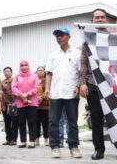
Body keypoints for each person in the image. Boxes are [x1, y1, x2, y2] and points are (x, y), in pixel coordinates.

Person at [45, 27, 82, 159]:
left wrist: (78, 85)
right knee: (53, 121)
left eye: (62, 35)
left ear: (68, 36)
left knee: (72, 122)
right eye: (57, 36)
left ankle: (73, 146)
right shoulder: (53, 55)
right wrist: (47, 88)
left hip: (72, 92)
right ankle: (55, 146)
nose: (59, 37)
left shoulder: (77, 54)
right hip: (55, 93)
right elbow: (48, 73)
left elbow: (80, 73)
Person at [79, 9, 108, 160]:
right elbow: (83, 63)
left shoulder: (114, 38)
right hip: (92, 83)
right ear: (92, 21)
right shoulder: (87, 40)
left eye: (103, 17)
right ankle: (99, 149)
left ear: (107, 20)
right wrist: (82, 83)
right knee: (96, 118)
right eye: (97, 18)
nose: (100, 19)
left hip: (112, 84)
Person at [12, 60, 39, 148]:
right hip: (20, 102)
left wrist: (27, 94)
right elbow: (13, 88)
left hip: (32, 102)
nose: (24, 67)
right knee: (21, 122)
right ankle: (23, 141)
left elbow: (36, 88)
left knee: (32, 122)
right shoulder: (16, 77)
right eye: (22, 65)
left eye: (26, 65)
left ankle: (32, 141)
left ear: (28, 66)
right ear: (20, 67)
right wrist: (21, 95)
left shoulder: (34, 76)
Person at [0, 66, 18, 146]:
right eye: (5, 71)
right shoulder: (1, 82)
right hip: (5, 104)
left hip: (13, 105)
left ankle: (14, 140)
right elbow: (0, 95)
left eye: (8, 71)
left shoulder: (15, 80)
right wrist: (1, 105)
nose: (6, 73)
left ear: (11, 72)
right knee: (7, 123)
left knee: (14, 123)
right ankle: (8, 139)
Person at [35, 66, 49, 146]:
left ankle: (46, 139)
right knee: (36, 123)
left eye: (41, 70)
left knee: (45, 123)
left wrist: (41, 97)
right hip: (35, 106)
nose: (40, 72)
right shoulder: (34, 81)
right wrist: (36, 98)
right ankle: (36, 139)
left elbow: (48, 89)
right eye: (38, 70)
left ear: (44, 72)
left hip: (45, 105)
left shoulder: (46, 81)